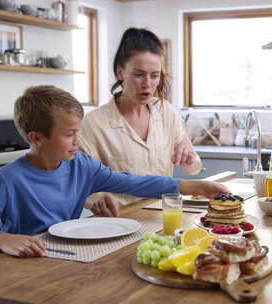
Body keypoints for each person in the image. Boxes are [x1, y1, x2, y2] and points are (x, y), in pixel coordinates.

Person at [0, 85, 227, 257]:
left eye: (79, 132)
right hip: (24, 265)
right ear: (37, 138)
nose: (78, 141)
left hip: (69, 258)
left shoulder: (81, 166)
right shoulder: (6, 181)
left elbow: (134, 183)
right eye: (70, 134)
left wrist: (196, 187)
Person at [79, 28, 202, 206]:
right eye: (138, 74)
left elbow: (194, 169)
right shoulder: (93, 124)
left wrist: (189, 156)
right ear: (120, 73)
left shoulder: (167, 112)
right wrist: (97, 200)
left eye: (154, 75)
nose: (147, 84)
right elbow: (82, 184)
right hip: (120, 222)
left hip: (164, 216)